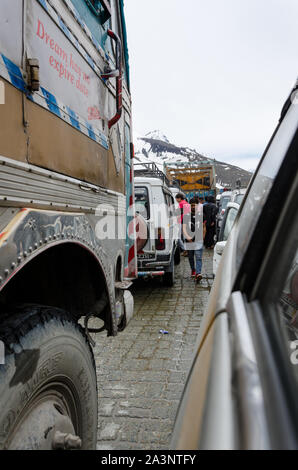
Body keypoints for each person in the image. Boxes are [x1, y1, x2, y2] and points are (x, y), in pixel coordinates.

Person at [183, 197, 206, 282]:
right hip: (189, 240)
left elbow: (204, 227)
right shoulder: (186, 215)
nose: (193, 207)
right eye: (191, 205)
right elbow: (184, 228)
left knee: (198, 257)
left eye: (194, 205)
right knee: (190, 257)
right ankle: (193, 269)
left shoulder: (201, 215)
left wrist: (203, 236)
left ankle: (198, 273)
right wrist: (188, 238)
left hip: (198, 240)